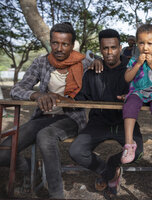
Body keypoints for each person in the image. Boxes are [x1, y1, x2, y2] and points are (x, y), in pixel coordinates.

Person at [0, 22, 90, 199]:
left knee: (45, 136)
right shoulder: (41, 61)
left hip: (71, 118)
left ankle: (56, 194)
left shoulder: (85, 63)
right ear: (50, 42)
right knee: (3, 152)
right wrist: (36, 95)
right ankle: (31, 168)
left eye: (65, 44)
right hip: (43, 117)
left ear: (72, 45)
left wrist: (98, 63)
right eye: (55, 43)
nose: (59, 48)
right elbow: (16, 90)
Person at [69, 29, 143, 197]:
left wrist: (133, 96)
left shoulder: (133, 68)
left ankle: (113, 162)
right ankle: (108, 172)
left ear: (120, 47)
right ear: (100, 49)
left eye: (114, 47)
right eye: (105, 48)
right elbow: (80, 98)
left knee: (138, 153)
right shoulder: (92, 71)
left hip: (124, 122)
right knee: (75, 151)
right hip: (98, 121)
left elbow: (145, 93)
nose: (110, 52)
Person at [121, 24, 152, 167]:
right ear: (137, 44)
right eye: (141, 43)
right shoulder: (133, 60)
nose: (145, 47)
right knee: (129, 104)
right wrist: (138, 64)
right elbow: (127, 78)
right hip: (137, 91)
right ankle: (129, 144)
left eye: (150, 43)